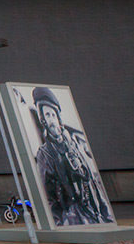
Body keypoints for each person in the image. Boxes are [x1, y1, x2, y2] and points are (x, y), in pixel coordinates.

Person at [32, 87, 113, 226]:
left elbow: (93, 182)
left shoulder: (73, 144)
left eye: (53, 114)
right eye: (47, 115)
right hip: (74, 217)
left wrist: (107, 216)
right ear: (43, 119)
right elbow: (49, 196)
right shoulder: (44, 153)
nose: (52, 119)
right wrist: (58, 224)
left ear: (58, 116)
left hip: (94, 213)